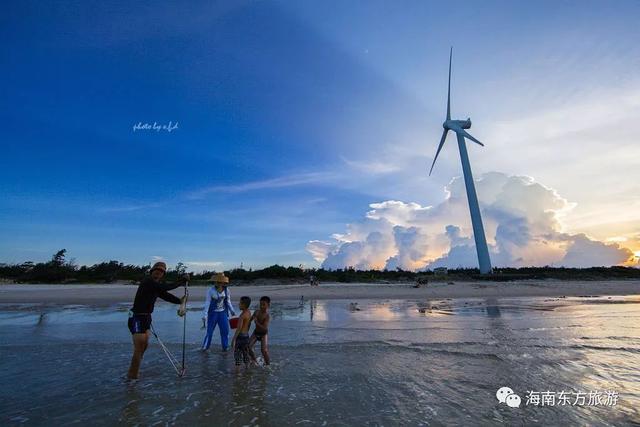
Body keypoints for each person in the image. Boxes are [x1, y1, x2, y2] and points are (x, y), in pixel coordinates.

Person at [127, 261, 188, 379]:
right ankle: (131, 378)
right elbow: (166, 287)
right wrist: (181, 281)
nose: (159, 272)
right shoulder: (148, 281)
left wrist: (180, 301)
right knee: (139, 347)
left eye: (161, 271)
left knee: (144, 346)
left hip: (146, 318)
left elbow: (165, 295)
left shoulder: (155, 286)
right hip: (137, 317)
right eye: (157, 270)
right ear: (152, 271)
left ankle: (134, 374)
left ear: (163, 274)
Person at [201, 272, 236, 351]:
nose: (217, 283)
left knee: (225, 332)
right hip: (213, 313)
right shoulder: (210, 290)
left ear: (223, 282)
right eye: (216, 281)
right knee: (209, 332)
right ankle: (204, 348)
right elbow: (207, 303)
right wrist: (204, 315)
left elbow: (228, 301)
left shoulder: (227, 290)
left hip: (223, 313)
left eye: (219, 281)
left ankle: (225, 348)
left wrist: (232, 311)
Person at [248, 296, 271, 365]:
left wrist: (256, 323)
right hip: (256, 333)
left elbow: (264, 328)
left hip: (264, 334)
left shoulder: (267, 316)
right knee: (248, 347)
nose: (261, 306)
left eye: (264, 304)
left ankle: (268, 365)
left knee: (264, 351)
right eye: (260, 304)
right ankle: (255, 360)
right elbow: (249, 321)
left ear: (268, 305)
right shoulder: (256, 312)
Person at [231, 296, 253, 368]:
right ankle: (248, 374)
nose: (238, 304)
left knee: (238, 357)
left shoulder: (242, 316)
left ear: (243, 305)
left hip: (240, 337)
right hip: (246, 336)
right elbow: (248, 324)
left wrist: (234, 339)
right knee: (246, 356)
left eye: (240, 303)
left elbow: (239, 328)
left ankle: (238, 375)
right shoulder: (249, 313)